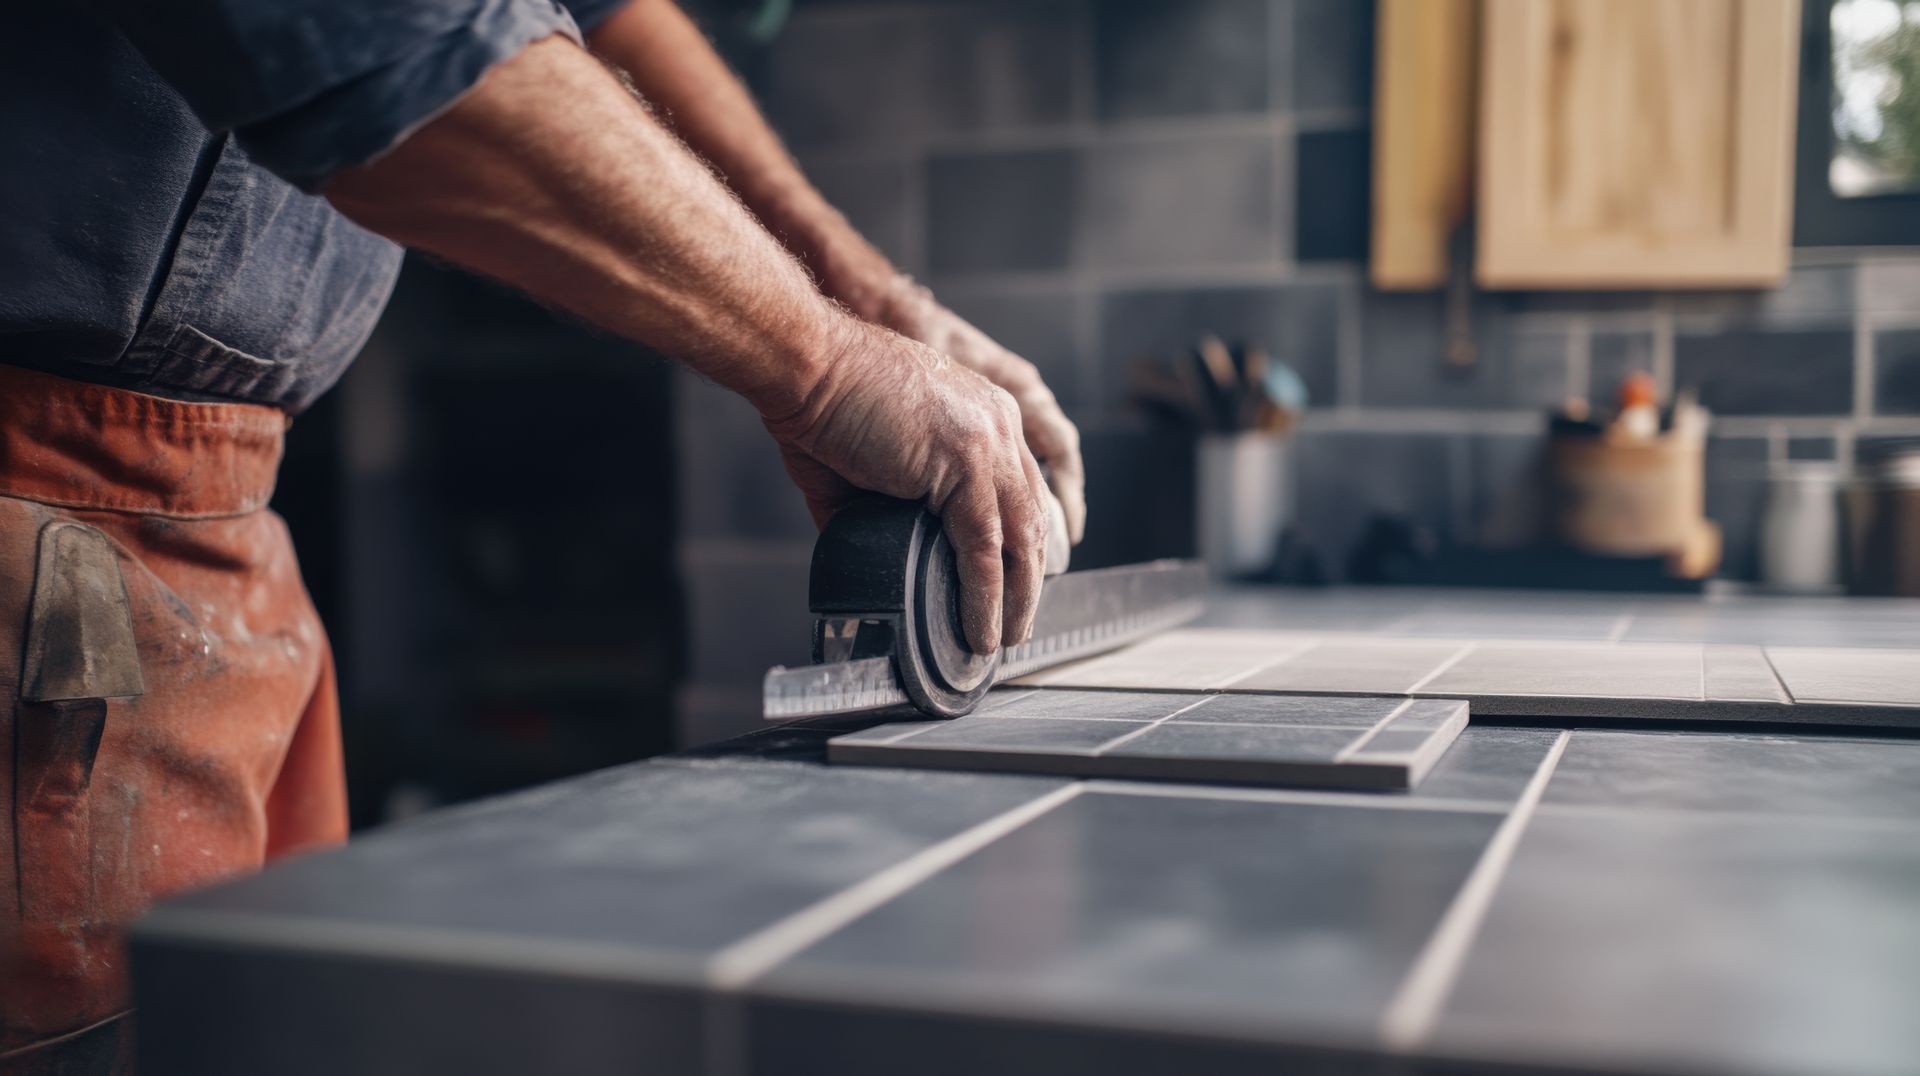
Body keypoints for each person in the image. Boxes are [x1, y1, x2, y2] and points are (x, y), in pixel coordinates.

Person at [0, 0, 1086, 1067]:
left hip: (223, 514)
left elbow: (590, 14)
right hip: (44, 542)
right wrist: (826, 362)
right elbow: (389, 39)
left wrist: (860, 297)